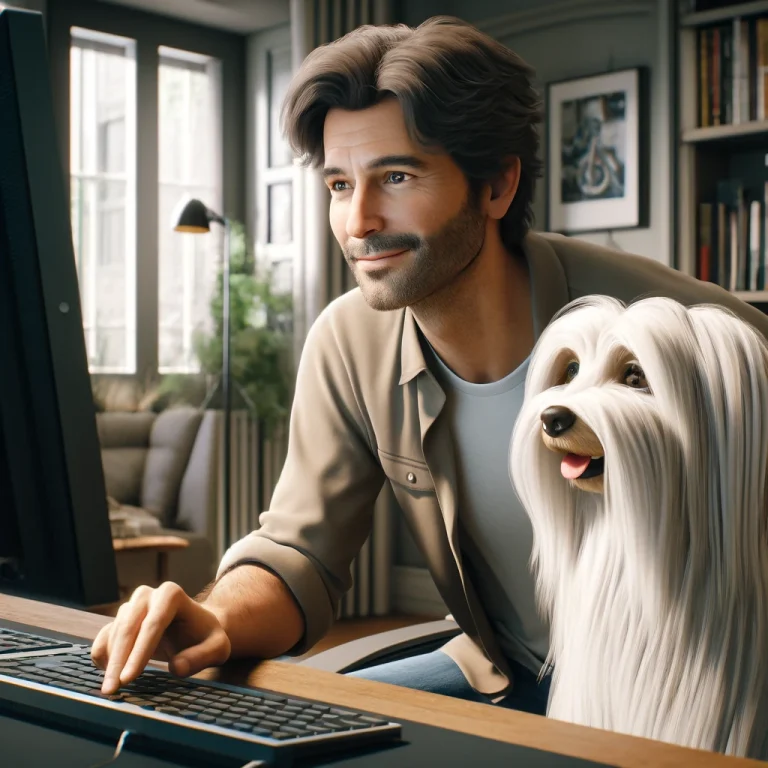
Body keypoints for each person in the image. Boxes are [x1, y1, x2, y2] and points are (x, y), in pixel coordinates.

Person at [91, 16, 768, 715]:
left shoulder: (663, 317)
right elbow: (299, 552)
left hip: (683, 686)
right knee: (287, 733)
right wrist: (220, 617)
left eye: (396, 175)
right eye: (338, 185)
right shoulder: (347, 344)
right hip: (507, 669)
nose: (359, 222)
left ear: (497, 185)